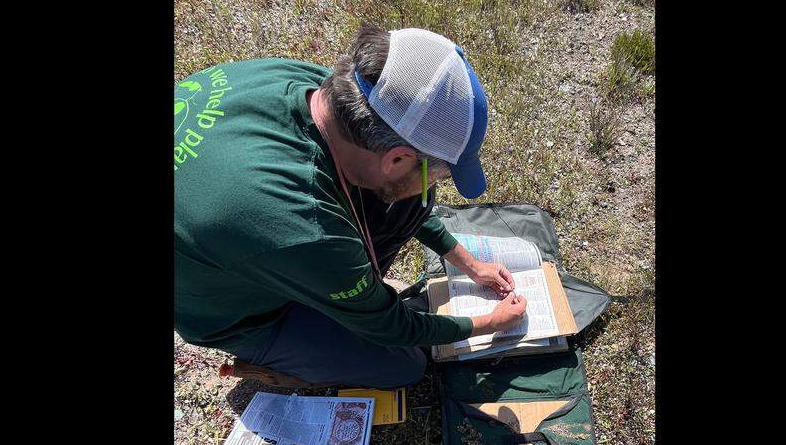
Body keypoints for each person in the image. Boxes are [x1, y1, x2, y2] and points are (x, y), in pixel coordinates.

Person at [174, 24, 527, 388]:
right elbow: (391, 326)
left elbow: (410, 200)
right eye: (439, 173)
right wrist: (489, 322)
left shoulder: (324, 91)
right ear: (396, 159)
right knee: (403, 366)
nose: (436, 183)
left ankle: (339, 293)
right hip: (233, 313)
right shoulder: (308, 226)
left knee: (407, 198)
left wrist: (473, 266)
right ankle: (277, 359)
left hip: (248, 238)